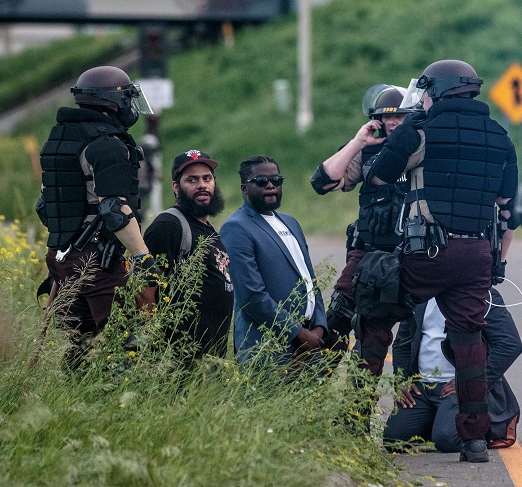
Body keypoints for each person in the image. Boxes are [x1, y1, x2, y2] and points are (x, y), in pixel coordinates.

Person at [361, 59, 519, 462]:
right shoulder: (501, 137)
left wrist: (411, 123)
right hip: (477, 255)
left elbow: (379, 175)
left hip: (429, 251)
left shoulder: (420, 132)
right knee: (468, 340)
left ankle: (356, 414)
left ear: (436, 91)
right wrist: (497, 260)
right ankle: (475, 440)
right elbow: (506, 207)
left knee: (376, 308)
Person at [36, 65, 157, 369]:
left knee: (80, 343)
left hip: (62, 256)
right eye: (128, 98)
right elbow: (114, 207)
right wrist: (142, 255)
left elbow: (46, 204)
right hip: (99, 259)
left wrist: (70, 245)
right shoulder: (107, 145)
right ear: (114, 102)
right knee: (125, 339)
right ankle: (117, 397)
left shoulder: (61, 140)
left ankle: (76, 397)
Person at [310, 84, 420, 374]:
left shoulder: (424, 148)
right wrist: (358, 142)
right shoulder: (370, 150)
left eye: (400, 116)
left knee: (375, 338)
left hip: (410, 257)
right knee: (336, 318)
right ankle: (310, 390)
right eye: (386, 117)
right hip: (366, 254)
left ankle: (356, 413)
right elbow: (323, 182)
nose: (393, 122)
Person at [383, 288, 522, 454]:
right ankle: (440, 422)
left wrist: (470, 382)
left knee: (447, 440)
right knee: (393, 440)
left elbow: (510, 345)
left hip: (461, 390)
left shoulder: (481, 294)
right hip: (423, 388)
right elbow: (402, 343)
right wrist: (402, 379)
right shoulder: (419, 294)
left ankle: (491, 424)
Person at [220, 155, 327, 364]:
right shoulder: (236, 228)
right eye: (261, 182)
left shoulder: (290, 222)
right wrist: (298, 333)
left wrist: (319, 329)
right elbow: (252, 296)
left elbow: (310, 282)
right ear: (244, 188)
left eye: (276, 180)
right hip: (268, 348)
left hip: (309, 344)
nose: (271, 186)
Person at [143, 150, 233, 364]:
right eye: (192, 180)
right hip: (179, 358)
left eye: (207, 178)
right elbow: (144, 290)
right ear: (176, 187)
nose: (202, 185)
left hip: (209, 359)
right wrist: (152, 344)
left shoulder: (207, 227)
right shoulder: (169, 226)